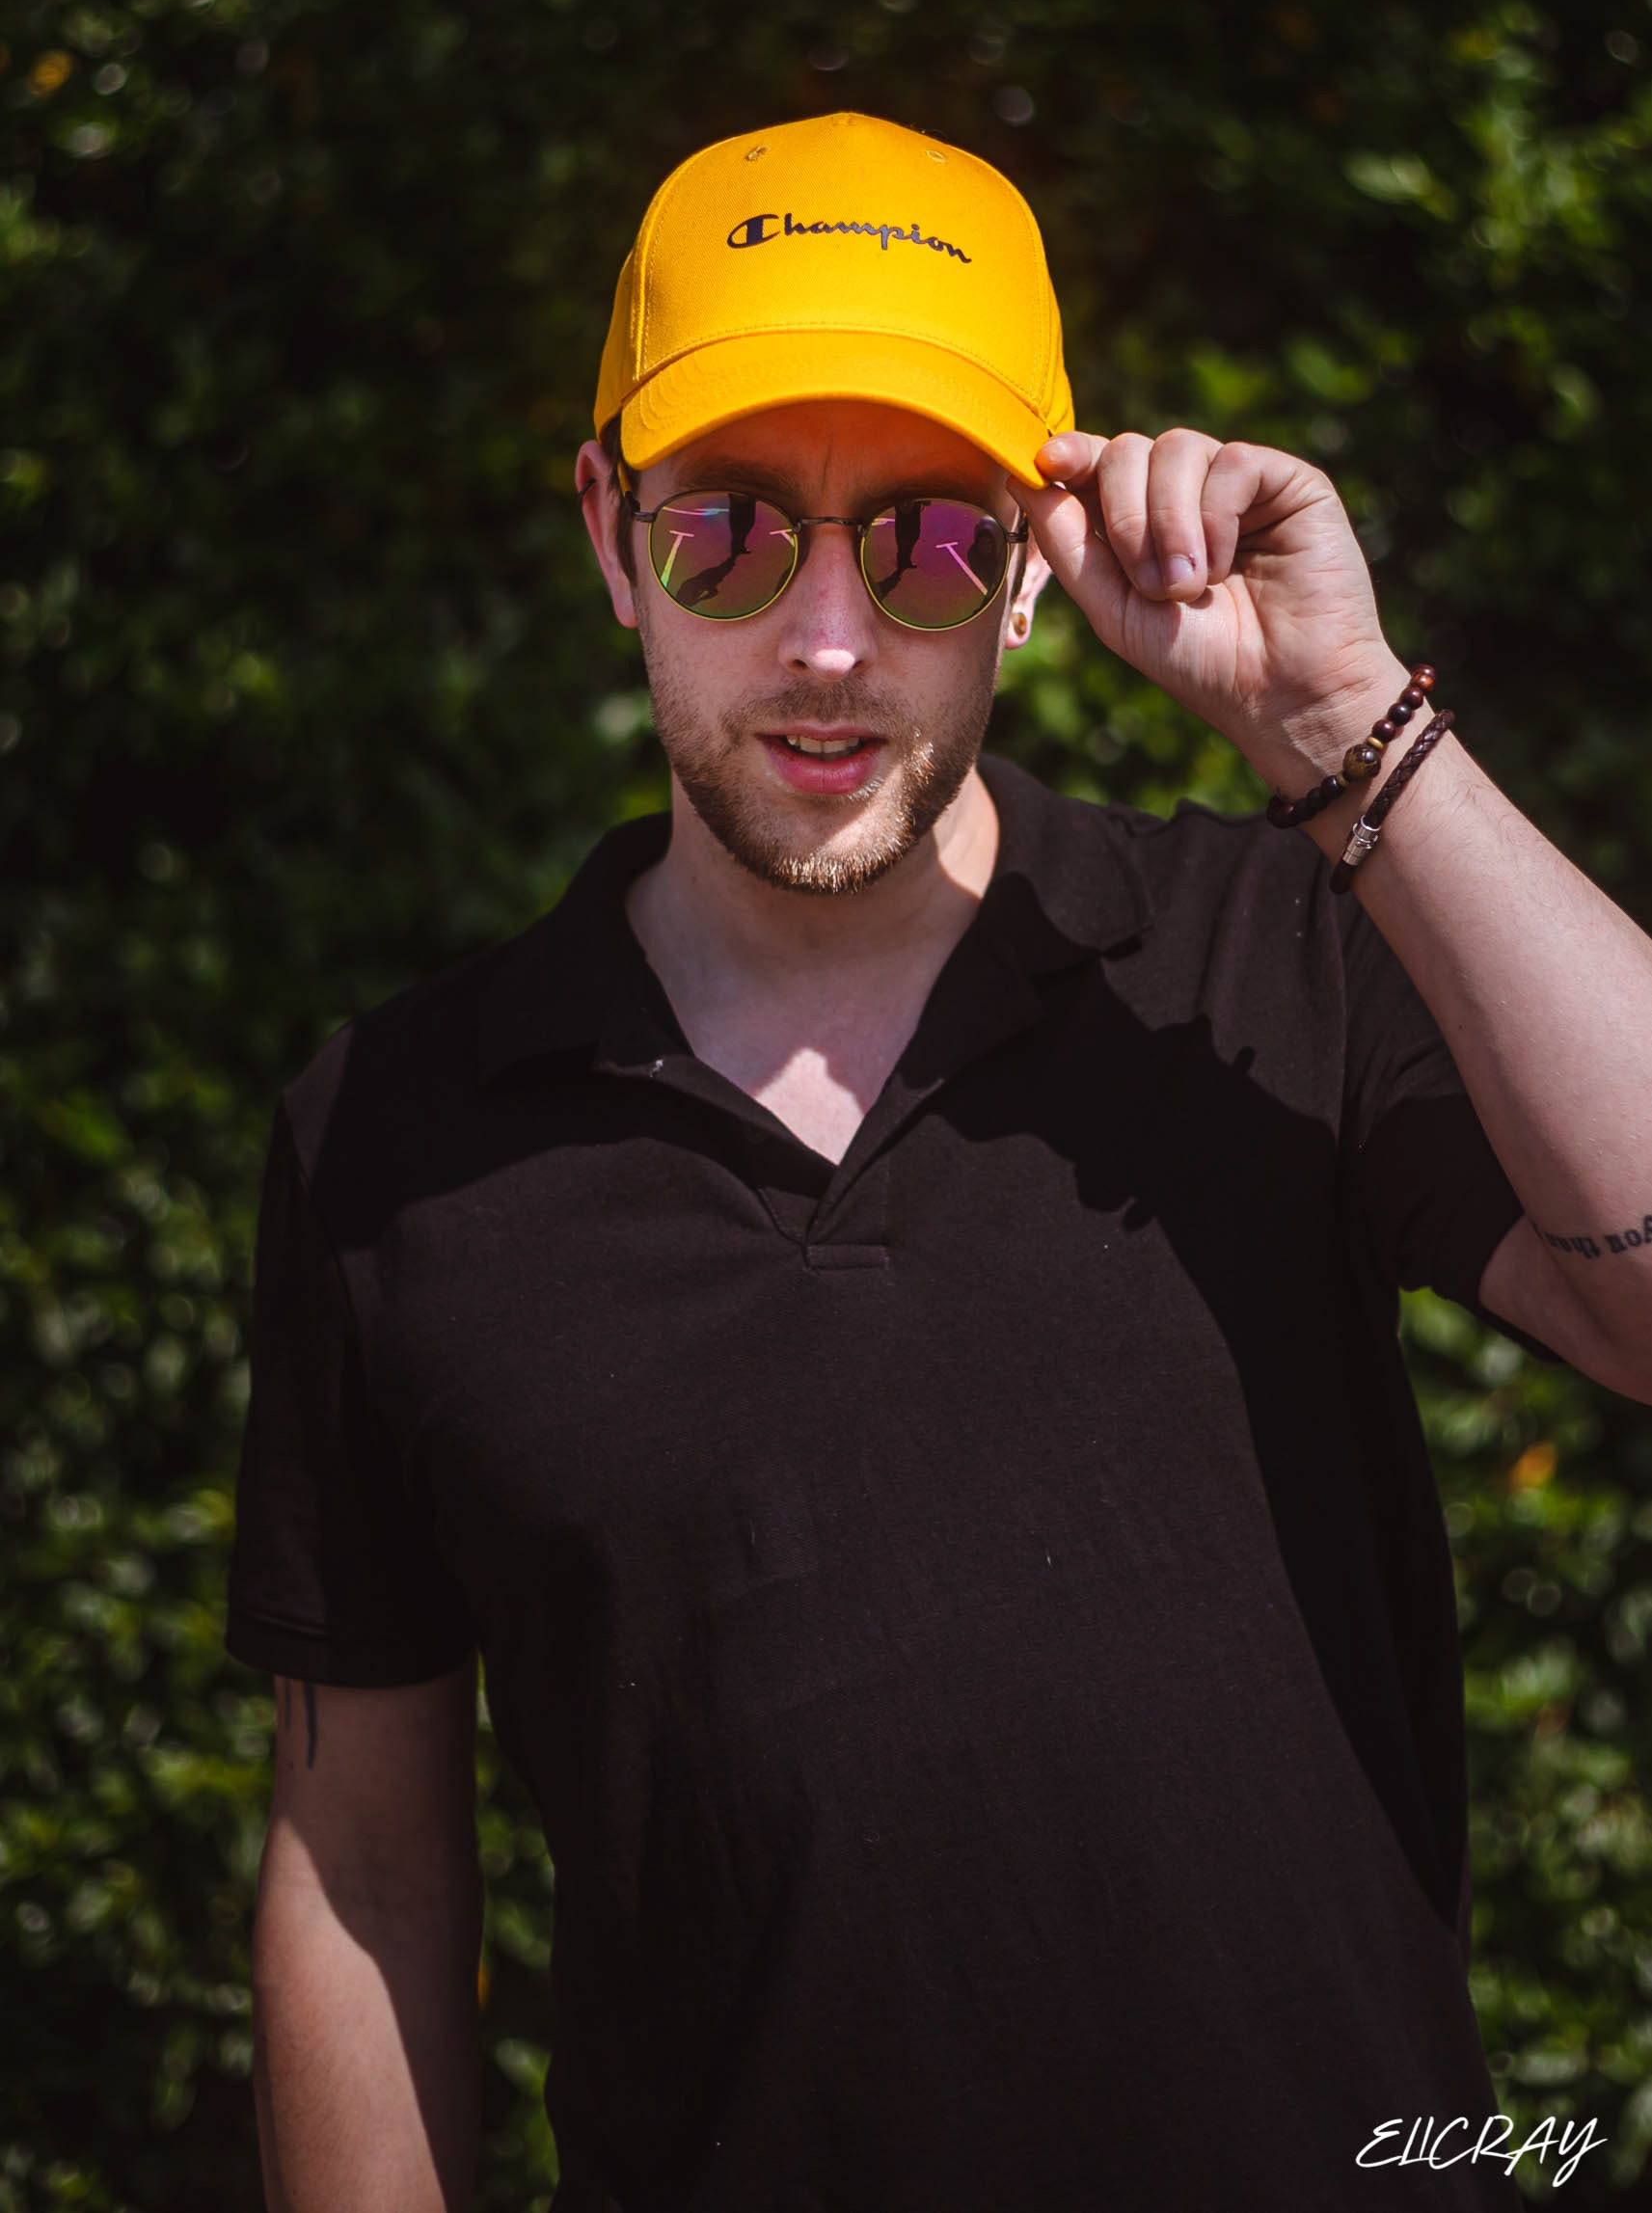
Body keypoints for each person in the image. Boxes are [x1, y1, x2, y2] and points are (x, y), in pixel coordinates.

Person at [225, 111, 1652, 2212]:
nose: (826, 639)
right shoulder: (394, 1134)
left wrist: (1341, 723)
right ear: (610, 533)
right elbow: (362, 1864)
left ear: (1037, 560)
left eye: (925, 541)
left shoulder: (1265, 959)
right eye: (728, 530)